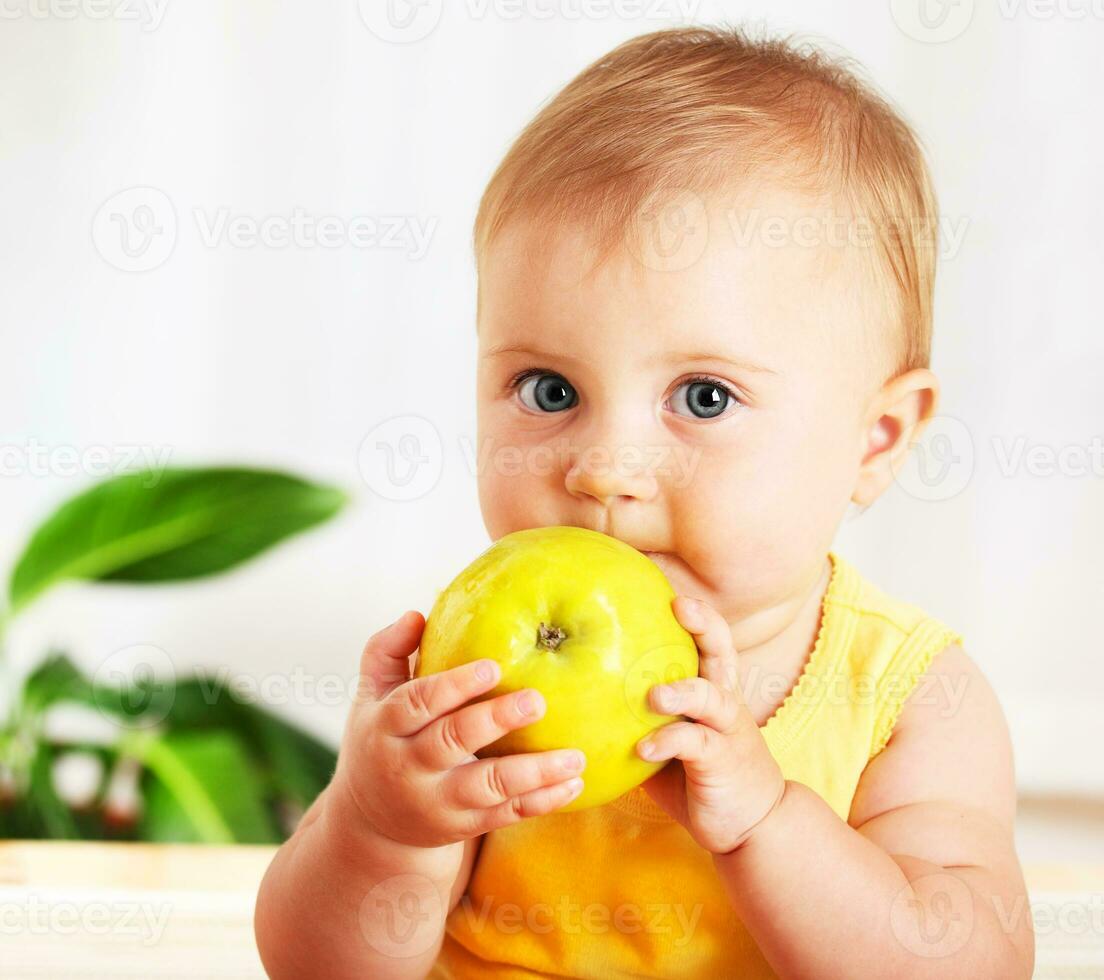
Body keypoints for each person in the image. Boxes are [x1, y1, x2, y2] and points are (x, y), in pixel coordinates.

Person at [255, 24, 1034, 978]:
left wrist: (762, 820)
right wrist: (384, 829)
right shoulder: (473, 683)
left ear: (875, 439)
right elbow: (316, 969)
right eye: (549, 390)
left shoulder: (909, 699)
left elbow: (970, 965)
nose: (604, 468)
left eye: (704, 398)